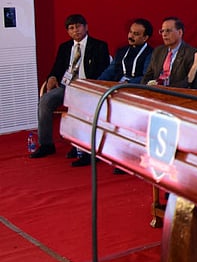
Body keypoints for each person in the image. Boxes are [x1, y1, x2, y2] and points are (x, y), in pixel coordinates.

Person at [31, 14, 110, 162]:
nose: (76, 30)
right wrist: (52, 77)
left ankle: (81, 146)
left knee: (79, 104)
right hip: (67, 86)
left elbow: (103, 71)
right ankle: (46, 144)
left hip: (88, 88)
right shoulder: (65, 47)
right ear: (68, 31)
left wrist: (86, 86)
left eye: (78, 26)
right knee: (45, 101)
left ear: (86, 27)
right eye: (71, 28)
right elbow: (56, 68)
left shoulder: (99, 46)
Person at [141, 16, 197, 87]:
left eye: (168, 31)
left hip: (174, 93)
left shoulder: (191, 53)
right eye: (162, 31)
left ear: (180, 32)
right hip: (154, 92)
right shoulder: (158, 51)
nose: (164, 34)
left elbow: (187, 82)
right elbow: (148, 76)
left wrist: (166, 89)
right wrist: (144, 88)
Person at [98, 18, 154, 84]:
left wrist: (129, 83)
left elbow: (147, 76)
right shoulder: (122, 51)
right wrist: (98, 82)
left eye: (136, 34)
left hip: (136, 87)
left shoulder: (151, 53)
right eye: (130, 32)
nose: (131, 36)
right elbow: (110, 71)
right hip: (117, 84)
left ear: (145, 38)